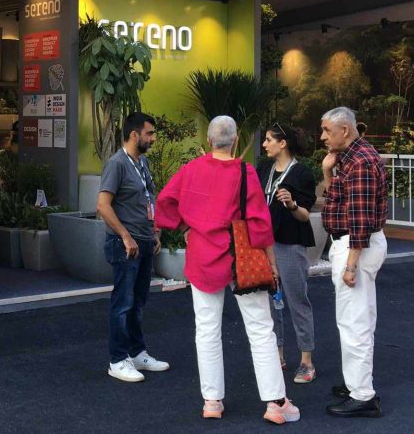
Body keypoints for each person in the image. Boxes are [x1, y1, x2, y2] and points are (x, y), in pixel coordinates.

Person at [155, 116, 300, 425]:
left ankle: (212, 401)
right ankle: (275, 403)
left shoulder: (190, 170)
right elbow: (259, 223)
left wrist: (185, 227)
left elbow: (165, 202)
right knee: (260, 329)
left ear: (209, 140)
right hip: (241, 258)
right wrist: (271, 262)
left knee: (206, 330)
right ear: (235, 141)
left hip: (202, 257)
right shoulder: (245, 173)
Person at [320, 107, 387, 418]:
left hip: (355, 247)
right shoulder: (353, 157)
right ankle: (356, 384)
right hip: (354, 245)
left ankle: (362, 395)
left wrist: (350, 265)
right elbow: (340, 199)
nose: (323, 136)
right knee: (356, 319)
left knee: (354, 322)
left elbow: (360, 219)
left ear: (344, 130)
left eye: (327, 130)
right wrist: (328, 172)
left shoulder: (359, 162)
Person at [97, 112, 169, 383]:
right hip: (125, 244)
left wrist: (155, 232)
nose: (154, 139)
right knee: (123, 303)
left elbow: (149, 199)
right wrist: (126, 237)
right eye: (149, 134)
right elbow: (103, 205)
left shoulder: (143, 162)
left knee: (138, 302)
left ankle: (137, 353)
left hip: (144, 241)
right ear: (134, 135)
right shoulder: (117, 164)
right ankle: (117, 360)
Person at [258, 123, 317, 384]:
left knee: (296, 300)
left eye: (268, 140)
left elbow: (304, 215)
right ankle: (278, 355)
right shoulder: (264, 169)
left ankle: (306, 361)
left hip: (290, 243)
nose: (264, 144)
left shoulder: (302, 173)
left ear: (282, 144)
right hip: (265, 243)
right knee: (272, 302)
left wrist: (292, 204)